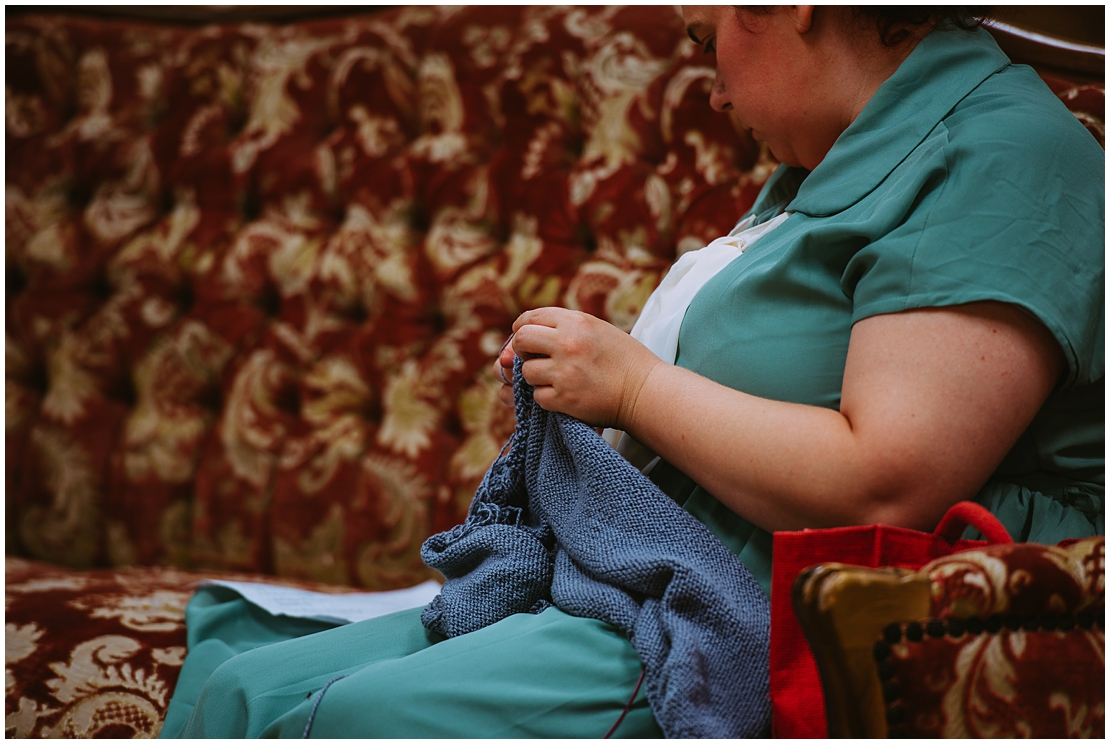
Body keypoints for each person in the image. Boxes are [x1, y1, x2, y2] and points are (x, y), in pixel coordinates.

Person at [161, 6, 1103, 738]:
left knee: (355, 723)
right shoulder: (832, 161)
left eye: (706, 41)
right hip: (658, 576)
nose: (716, 93)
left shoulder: (1004, 156)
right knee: (238, 679)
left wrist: (635, 387)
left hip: (771, 612)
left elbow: (888, 481)